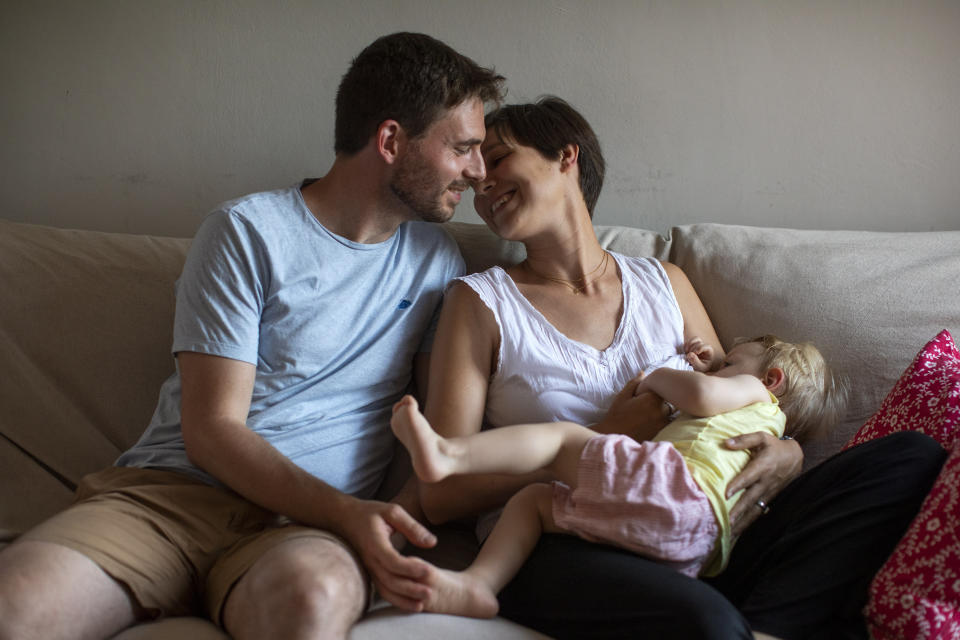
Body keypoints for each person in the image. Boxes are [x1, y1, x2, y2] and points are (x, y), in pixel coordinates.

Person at [0, 32, 504, 640]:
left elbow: (423, 435)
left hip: (303, 533)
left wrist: (388, 522)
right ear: (391, 140)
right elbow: (212, 430)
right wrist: (347, 512)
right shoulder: (247, 231)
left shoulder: (438, 261)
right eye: (463, 149)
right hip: (172, 498)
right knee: (18, 602)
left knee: (314, 600)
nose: (477, 172)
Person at [413, 96, 947, 639]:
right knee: (705, 622)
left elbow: (739, 401)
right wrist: (601, 438)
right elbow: (440, 494)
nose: (481, 183)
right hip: (567, 533)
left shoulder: (664, 282)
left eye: (498, 158)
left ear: (565, 156)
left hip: (703, 530)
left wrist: (788, 453)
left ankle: (761, 626)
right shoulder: (479, 304)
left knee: (911, 456)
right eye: (474, 172)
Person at [391, 334, 846, 617]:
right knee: (535, 501)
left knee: (562, 441)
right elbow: (708, 397)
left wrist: (660, 378)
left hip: (675, 490)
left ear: (773, 379)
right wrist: (705, 362)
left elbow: (703, 394)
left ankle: (446, 455)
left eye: (729, 364)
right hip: (693, 548)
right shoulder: (765, 432)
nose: (719, 370)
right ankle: (477, 587)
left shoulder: (753, 394)